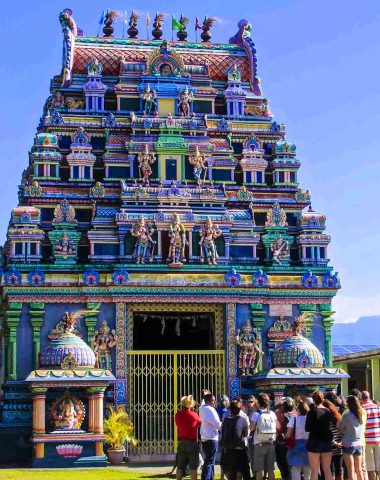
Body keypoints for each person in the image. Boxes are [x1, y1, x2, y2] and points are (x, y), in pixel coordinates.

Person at [305, 390, 334, 480]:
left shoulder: (311, 412)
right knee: (327, 470)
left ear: (313, 400)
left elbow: (307, 428)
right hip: (326, 441)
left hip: (314, 441)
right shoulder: (328, 411)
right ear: (323, 399)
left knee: (314, 470)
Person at [220, 398, 251, 480]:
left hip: (229, 449)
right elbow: (246, 434)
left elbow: (222, 432)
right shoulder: (243, 419)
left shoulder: (226, 420)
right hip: (240, 449)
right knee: (244, 470)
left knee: (232, 472)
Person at [250, 392, 279, 480]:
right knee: (270, 469)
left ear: (258, 402)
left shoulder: (256, 414)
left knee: (259, 469)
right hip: (270, 443)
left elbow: (251, 428)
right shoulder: (272, 414)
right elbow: (278, 427)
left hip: (259, 443)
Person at [339, 395, 366, 480]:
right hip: (359, 443)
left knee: (351, 471)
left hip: (348, 444)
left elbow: (341, 430)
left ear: (349, 404)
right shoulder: (362, 414)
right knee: (359, 470)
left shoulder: (346, 416)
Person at [175, 395, 202, 480]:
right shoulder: (194, 415)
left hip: (182, 442)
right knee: (193, 468)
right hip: (192, 442)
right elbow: (199, 424)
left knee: (180, 467)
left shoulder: (178, 415)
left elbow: (178, 425)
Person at [285, 401, 311, 480]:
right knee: (307, 470)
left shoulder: (294, 418)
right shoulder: (309, 418)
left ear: (298, 410)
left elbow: (288, 434)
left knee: (295, 469)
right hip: (308, 445)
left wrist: (285, 436)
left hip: (296, 445)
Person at [199, 393, 221, 480]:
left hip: (205, 437)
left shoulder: (202, 408)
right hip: (211, 438)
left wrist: (204, 396)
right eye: (213, 400)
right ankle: (206, 477)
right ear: (209, 401)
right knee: (210, 461)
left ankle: (209, 477)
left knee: (209, 460)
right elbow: (217, 424)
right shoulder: (210, 410)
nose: (215, 402)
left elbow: (202, 403)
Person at [361, 391, 380, 480]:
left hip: (367, 439)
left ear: (361, 398)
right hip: (378, 438)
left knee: (370, 465)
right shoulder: (377, 407)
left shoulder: (361, 409)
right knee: (379, 463)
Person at [323, 399, 343, 480]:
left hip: (329, 447)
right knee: (339, 470)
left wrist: (334, 443)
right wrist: (340, 443)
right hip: (339, 447)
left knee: (330, 471)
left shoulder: (324, 419)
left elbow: (327, 434)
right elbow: (342, 432)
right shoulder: (338, 417)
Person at [275, 397, 295, 480]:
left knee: (282, 461)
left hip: (282, 441)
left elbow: (278, 428)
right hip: (293, 442)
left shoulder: (280, 414)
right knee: (291, 462)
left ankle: (285, 477)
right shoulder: (295, 414)